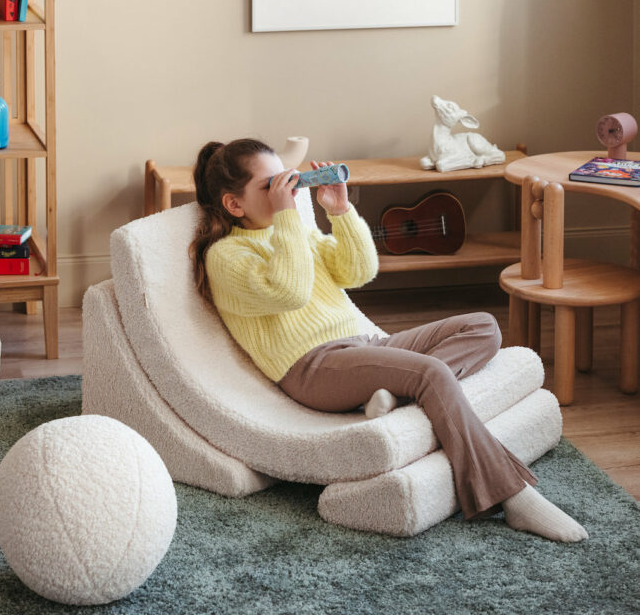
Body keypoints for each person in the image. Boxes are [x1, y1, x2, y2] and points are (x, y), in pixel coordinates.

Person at [189, 138, 588, 542]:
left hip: (364, 347)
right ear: (234, 204)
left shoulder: (297, 235)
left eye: (285, 181)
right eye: (270, 186)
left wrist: (340, 212)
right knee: (431, 373)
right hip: (314, 368)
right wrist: (290, 217)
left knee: (483, 326)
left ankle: (393, 396)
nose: (286, 191)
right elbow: (288, 291)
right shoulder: (226, 257)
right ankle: (511, 495)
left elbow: (358, 271)